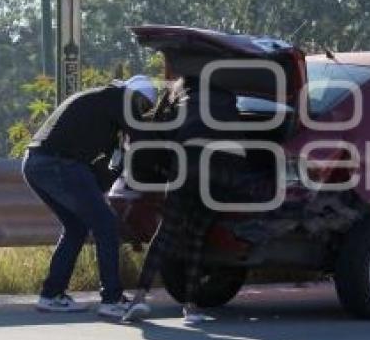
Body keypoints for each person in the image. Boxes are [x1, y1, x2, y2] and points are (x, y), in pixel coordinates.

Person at [23, 75, 157, 317]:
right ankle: (112, 300)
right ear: (136, 96)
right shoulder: (120, 99)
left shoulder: (101, 105)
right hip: (59, 163)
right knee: (106, 224)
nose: (142, 112)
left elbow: (99, 174)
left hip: (35, 163)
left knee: (76, 226)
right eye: (144, 107)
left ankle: (51, 294)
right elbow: (142, 138)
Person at [122, 77, 249, 325]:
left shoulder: (180, 96)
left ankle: (138, 299)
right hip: (223, 169)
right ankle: (190, 309)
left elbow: (162, 133)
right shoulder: (227, 98)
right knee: (196, 238)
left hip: (189, 163)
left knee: (165, 233)